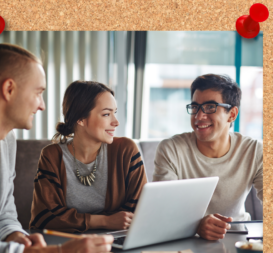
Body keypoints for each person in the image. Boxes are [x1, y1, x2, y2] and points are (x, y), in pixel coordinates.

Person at [0, 40, 113, 253]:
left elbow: (3, 214)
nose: (42, 105)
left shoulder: (6, 142)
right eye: (38, 93)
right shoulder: (52, 155)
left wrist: (16, 236)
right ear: (9, 89)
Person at [153, 74, 262, 241]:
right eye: (195, 107)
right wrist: (195, 225)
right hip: (186, 238)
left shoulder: (254, 151)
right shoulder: (171, 149)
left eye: (210, 107)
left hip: (240, 238)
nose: (199, 116)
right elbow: (161, 210)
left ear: (232, 114)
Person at [30, 81, 147, 233]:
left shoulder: (126, 150)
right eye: (106, 114)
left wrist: (71, 219)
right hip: (69, 243)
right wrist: (105, 221)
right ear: (80, 119)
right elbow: (44, 217)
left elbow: (139, 211)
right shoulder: (52, 156)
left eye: (115, 112)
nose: (116, 122)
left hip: (116, 239)